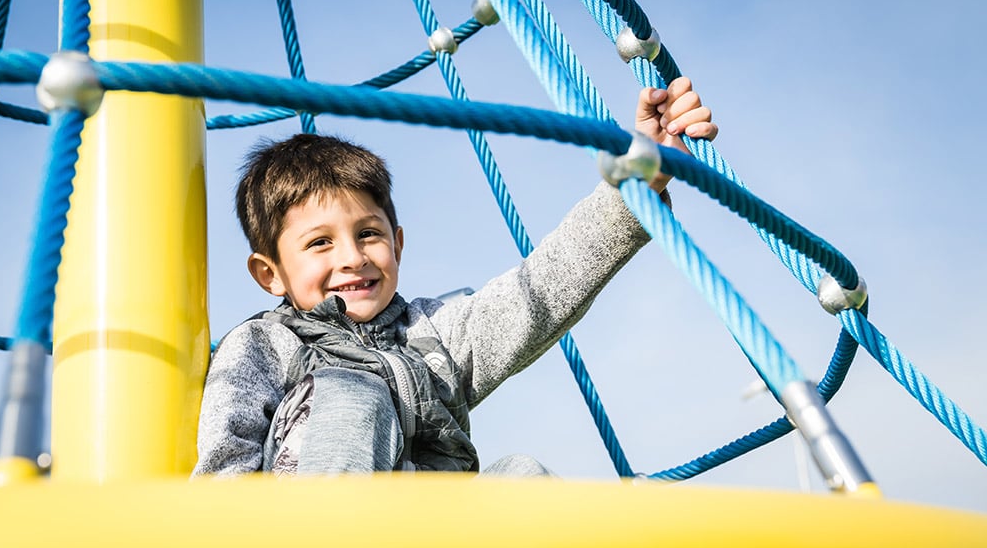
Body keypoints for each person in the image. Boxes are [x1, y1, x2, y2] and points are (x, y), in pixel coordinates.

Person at [192, 77, 716, 477]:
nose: (352, 257)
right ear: (270, 274)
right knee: (353, 394)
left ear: (397, 243)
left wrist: (636, 188)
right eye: (320, 242)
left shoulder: (433, 333)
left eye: (368, 234)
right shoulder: (263, 345)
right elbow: (226, 465)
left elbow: (540, 291)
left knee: (521, 476)